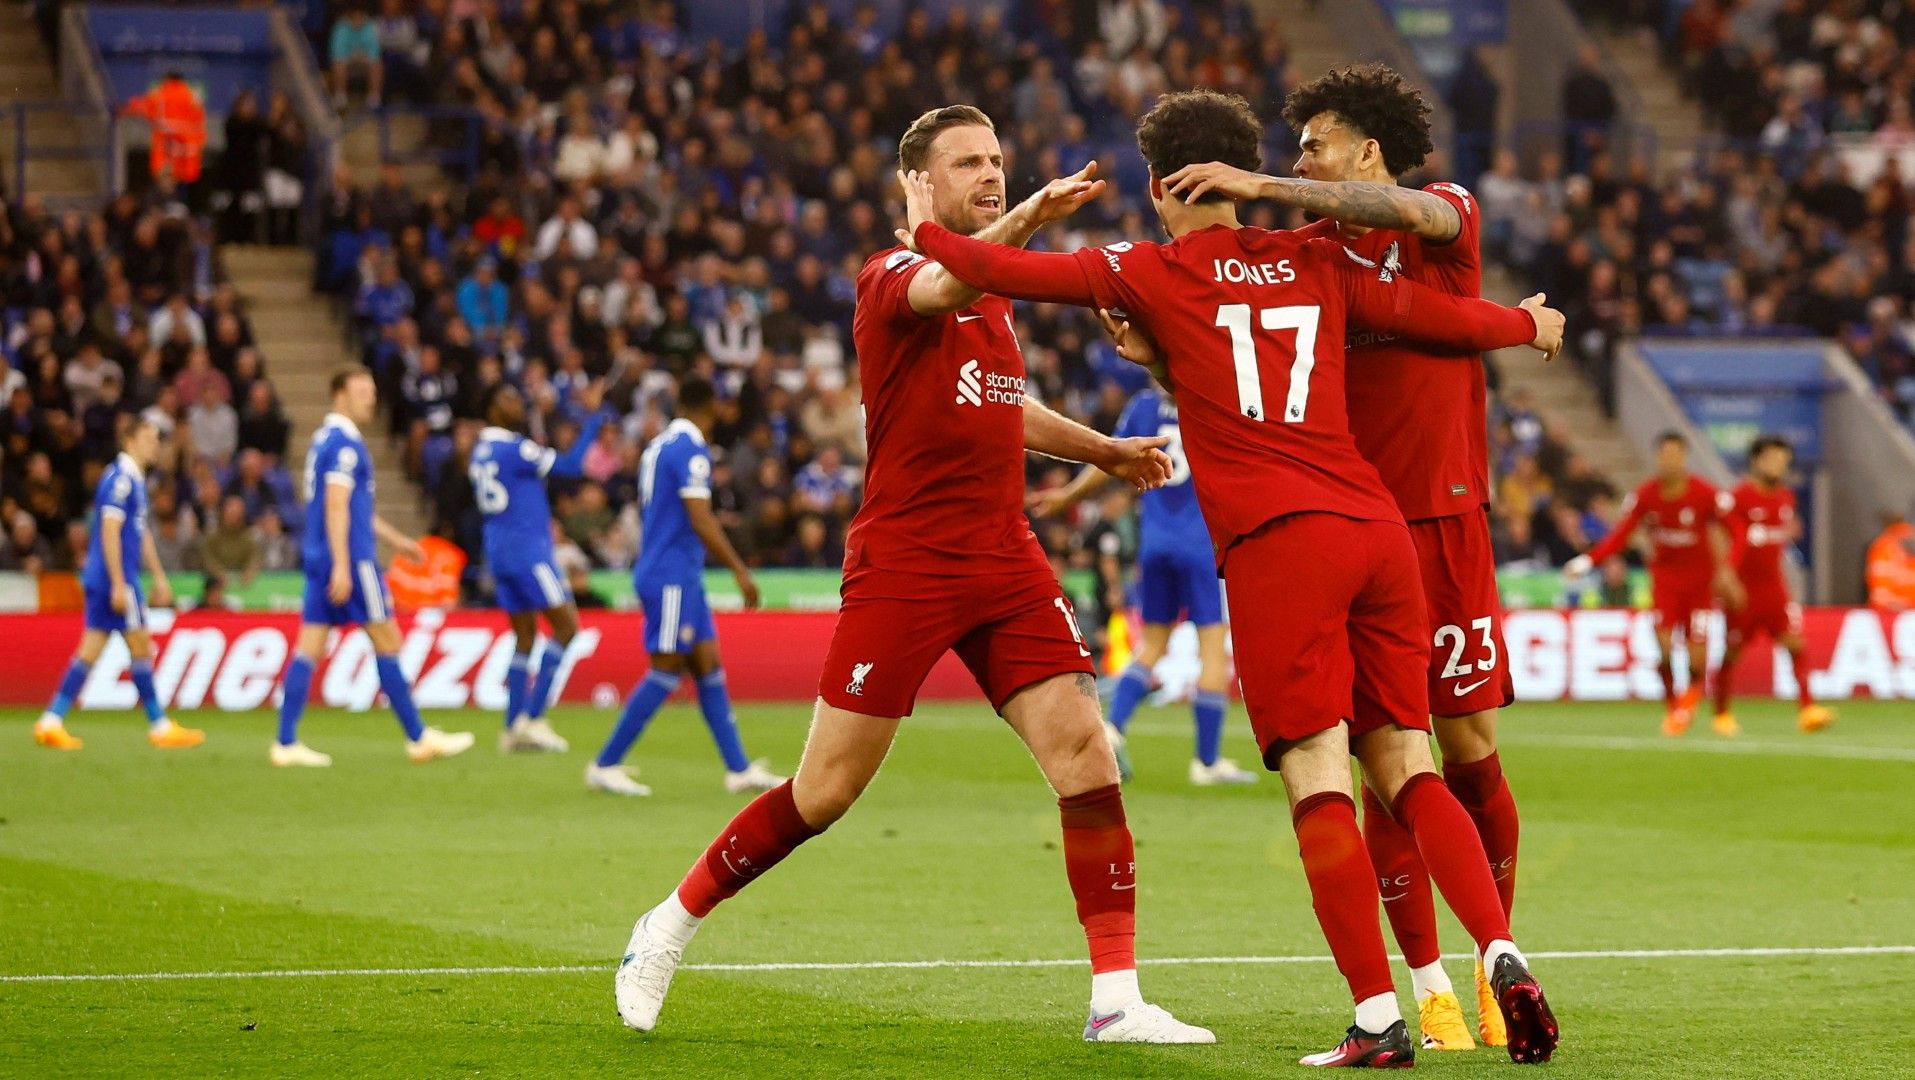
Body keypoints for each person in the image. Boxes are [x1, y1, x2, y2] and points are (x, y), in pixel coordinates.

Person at [907, 89, 1562, 1066]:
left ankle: (1379, 1018)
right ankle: (1497, 948)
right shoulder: (1314, 258)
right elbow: (1421, 313)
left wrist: (927, 218)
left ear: (1165, 188)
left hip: (1281, 546)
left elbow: (985, 267)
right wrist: (1520, 324)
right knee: (1412, 764)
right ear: (1238, 167)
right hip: (1376, 527)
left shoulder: (1147, 271)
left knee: (1317, 776)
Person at [613, 106, 1206, 1047]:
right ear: (918, 186)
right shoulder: (891, 278)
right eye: (967, 163)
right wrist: (1030, 225)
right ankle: (669, 923)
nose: (991, 174)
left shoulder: (994, 296)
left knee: (1086, 757)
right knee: (825, 793)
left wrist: (1101, 448)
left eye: (997, 160)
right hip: (905, 562)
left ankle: (1116, 998)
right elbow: (942, 284)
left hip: (1003, 555)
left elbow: (1002, 404)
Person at [1159, 62, 1521, 1049]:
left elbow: (1415, 226)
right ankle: (1431, 987)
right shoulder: (1304, 255)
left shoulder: (1439, 210)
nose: (1295, 159)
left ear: (1364, 149)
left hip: (1442, 519)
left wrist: (1266, 188)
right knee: (1380, 767)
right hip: (1353, 525)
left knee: (1469, 751)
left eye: (1314, 143)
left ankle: (1501, 963)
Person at [1029, 383, 1255, 786]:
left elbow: (1107, 459)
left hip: (1154, 543)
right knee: (1212, 650)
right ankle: (1206, 761)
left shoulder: (1144, 406)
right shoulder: (1210, 402)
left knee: (1151, 645)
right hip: (1200, 543)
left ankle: (1113, 729)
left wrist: (1066, 497)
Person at [589, 376, 783, 797]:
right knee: (666, 667)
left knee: (708, 663)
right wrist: (738, 569)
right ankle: (605, 763)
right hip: (671, 573)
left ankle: (738, 769)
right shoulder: (691, 449)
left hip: (679, 572)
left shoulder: (659, 445)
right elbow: (699, 516)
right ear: (710, 407)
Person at [270, 367, 473, 767]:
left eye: (373, 391)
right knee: (387, 638)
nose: (371, 399)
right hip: (350, 558)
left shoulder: (324, 440)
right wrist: (345, 565)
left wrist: (397, 542)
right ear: (339, 395)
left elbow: (353, 508)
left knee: (309, 646)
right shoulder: (345, 444)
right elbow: (336, 506)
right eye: (363, 391)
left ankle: (285, 741)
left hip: (321, 556)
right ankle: (418, 737)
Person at [35, 416, 205, 751]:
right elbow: (110, 530)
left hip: (109, 577)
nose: (155, 443)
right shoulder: (121, 480)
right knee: (138, 646)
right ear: (129, 440)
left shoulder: (133, 479)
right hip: (116, 579)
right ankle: (159, 725)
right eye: (148, 437)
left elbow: (138, 535)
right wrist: (118, 582)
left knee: (94, 649)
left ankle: (51, 720)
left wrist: (157, 575)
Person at [1567, 432, 1741, 737]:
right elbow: (1620, 536)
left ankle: (1687, 702)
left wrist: (1727, 569)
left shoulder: (1705, 493)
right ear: (1657, 458)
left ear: (1684, 458)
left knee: (1697, 661)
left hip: (1700, 585)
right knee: (1663, 649)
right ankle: (1675, 708)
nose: (1670, 461)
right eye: (1665, 455)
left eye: (1676, 455)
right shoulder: (1645, 496)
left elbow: (1737, 531)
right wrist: (1586, 562)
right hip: (1665, 582)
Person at [471, 382, 607, 753]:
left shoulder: (481, 450)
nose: (516, 402)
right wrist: (593, 419)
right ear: (493, 409)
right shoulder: (513, 448)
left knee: (525, 635)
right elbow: (569, 465)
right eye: (507, 397)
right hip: (529, 551)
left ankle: (512, 727)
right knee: (567, 626)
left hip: (499, 552)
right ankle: (533, 717)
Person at [1713, 436, 1835, 734]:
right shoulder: (1736, 498)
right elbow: (1718, 537)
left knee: (1795, 645)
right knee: (1731, 652)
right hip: (1742, 589)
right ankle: (1721, 714)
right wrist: (1725, 577)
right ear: (1756, 461)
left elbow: (1776, 538)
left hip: (1774, 588)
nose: (1779, 465)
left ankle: (1808, 709)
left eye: (1783, 460)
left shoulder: (1785, 498)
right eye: (1772, 459)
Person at [119, 72, 206, 188]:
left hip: (167, 140)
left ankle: (166, 196)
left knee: (163, 178)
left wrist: (125, 109)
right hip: (188, 144)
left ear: (169, 79)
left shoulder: (163, 93)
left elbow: (145, 105)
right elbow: (200, 121)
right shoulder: (193, 97)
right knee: (184, 179)